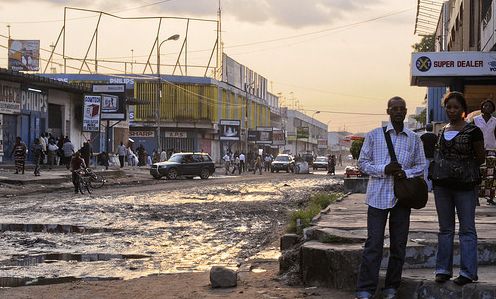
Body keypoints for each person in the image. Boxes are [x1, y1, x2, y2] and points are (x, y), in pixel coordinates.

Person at [355, 96, 426, 299]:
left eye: (401, 108)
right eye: (394, 108)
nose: (398, 111)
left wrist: (407, 174)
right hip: (377, 198)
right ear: (388, 111)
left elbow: (421, 166)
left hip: (402, 199)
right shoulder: (374, 136)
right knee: (374, 244)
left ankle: (391, 287)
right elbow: (363, 163)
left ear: (405, 112)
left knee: (398, 245)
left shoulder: (414, 138)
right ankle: (365, 289)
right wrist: (384, 169)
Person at [431, 91, 485, 286]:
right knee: (445, 229)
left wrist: (461, 166)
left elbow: (481, 158)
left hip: (465, 186)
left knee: (467, 229)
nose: (452, 110)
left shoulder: (473, 131)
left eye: (456, 107)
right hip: (442, 187)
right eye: (449, 107)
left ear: (463, 110)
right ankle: (443, 270)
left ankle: (468, 272)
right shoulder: (442, 130)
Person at [473, 99, 496, 205]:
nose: (487, 108)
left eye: (489, 106)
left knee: (491, 175)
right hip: (479, 149)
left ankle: (490, 197)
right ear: (482, 108)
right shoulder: (475, 120)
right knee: (478, 174)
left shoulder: (495, 121)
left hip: (492, 149)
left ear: (493, 109)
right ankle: (476, 198)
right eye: (485, 106)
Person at [420, 123, 438, 191]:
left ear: (426, 128)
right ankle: (432, 187)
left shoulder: (423, 136)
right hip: (433, 157)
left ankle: (427, 188)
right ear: (432, 128)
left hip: (425, 156)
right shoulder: (435, 136)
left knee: (426, 172)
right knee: (433, 172)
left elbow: (420, 146)